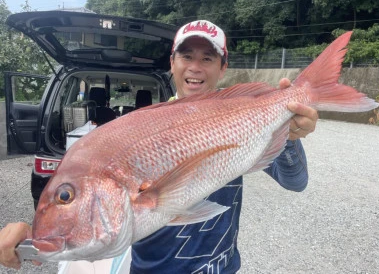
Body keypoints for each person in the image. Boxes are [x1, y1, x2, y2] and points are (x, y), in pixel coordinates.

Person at [0, 20, 318, 273]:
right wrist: (29, 237)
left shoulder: (244, 115)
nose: (195, 67)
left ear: (223, 68)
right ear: (172, 62)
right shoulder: (139, 129)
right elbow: (82, 237)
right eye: (186, 56)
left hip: (223, 269)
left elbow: (296, 182)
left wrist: (289, 134)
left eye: (208, 58)